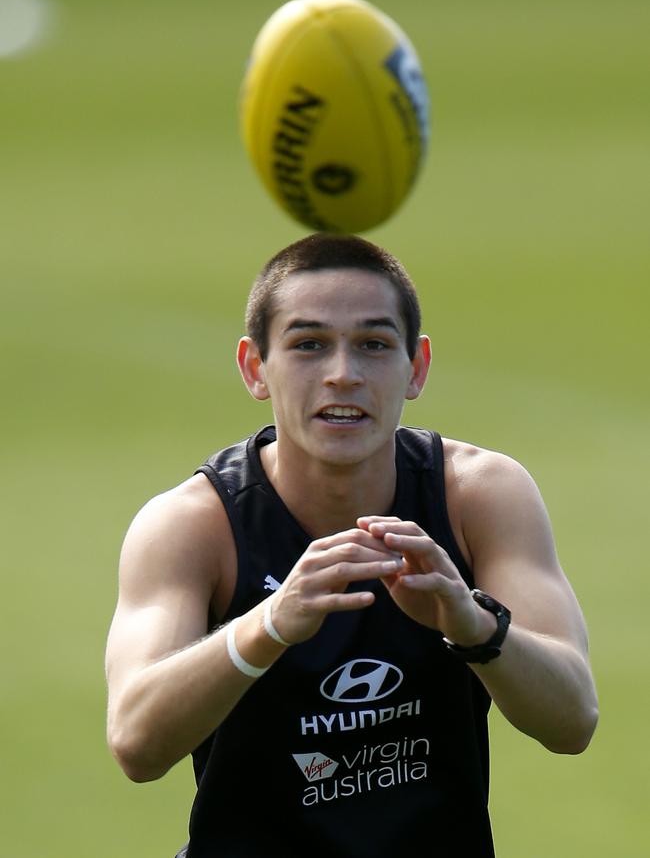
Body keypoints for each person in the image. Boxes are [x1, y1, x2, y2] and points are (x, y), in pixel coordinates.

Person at [105, 233, 598, 858]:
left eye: (373, 344)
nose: (343, 374)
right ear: (256, 368)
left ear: (414, 367)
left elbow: (572, 719)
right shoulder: (194, 526)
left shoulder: (479, 495)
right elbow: (136, 743)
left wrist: (472, 625)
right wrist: (269, 627)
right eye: (308, 345)